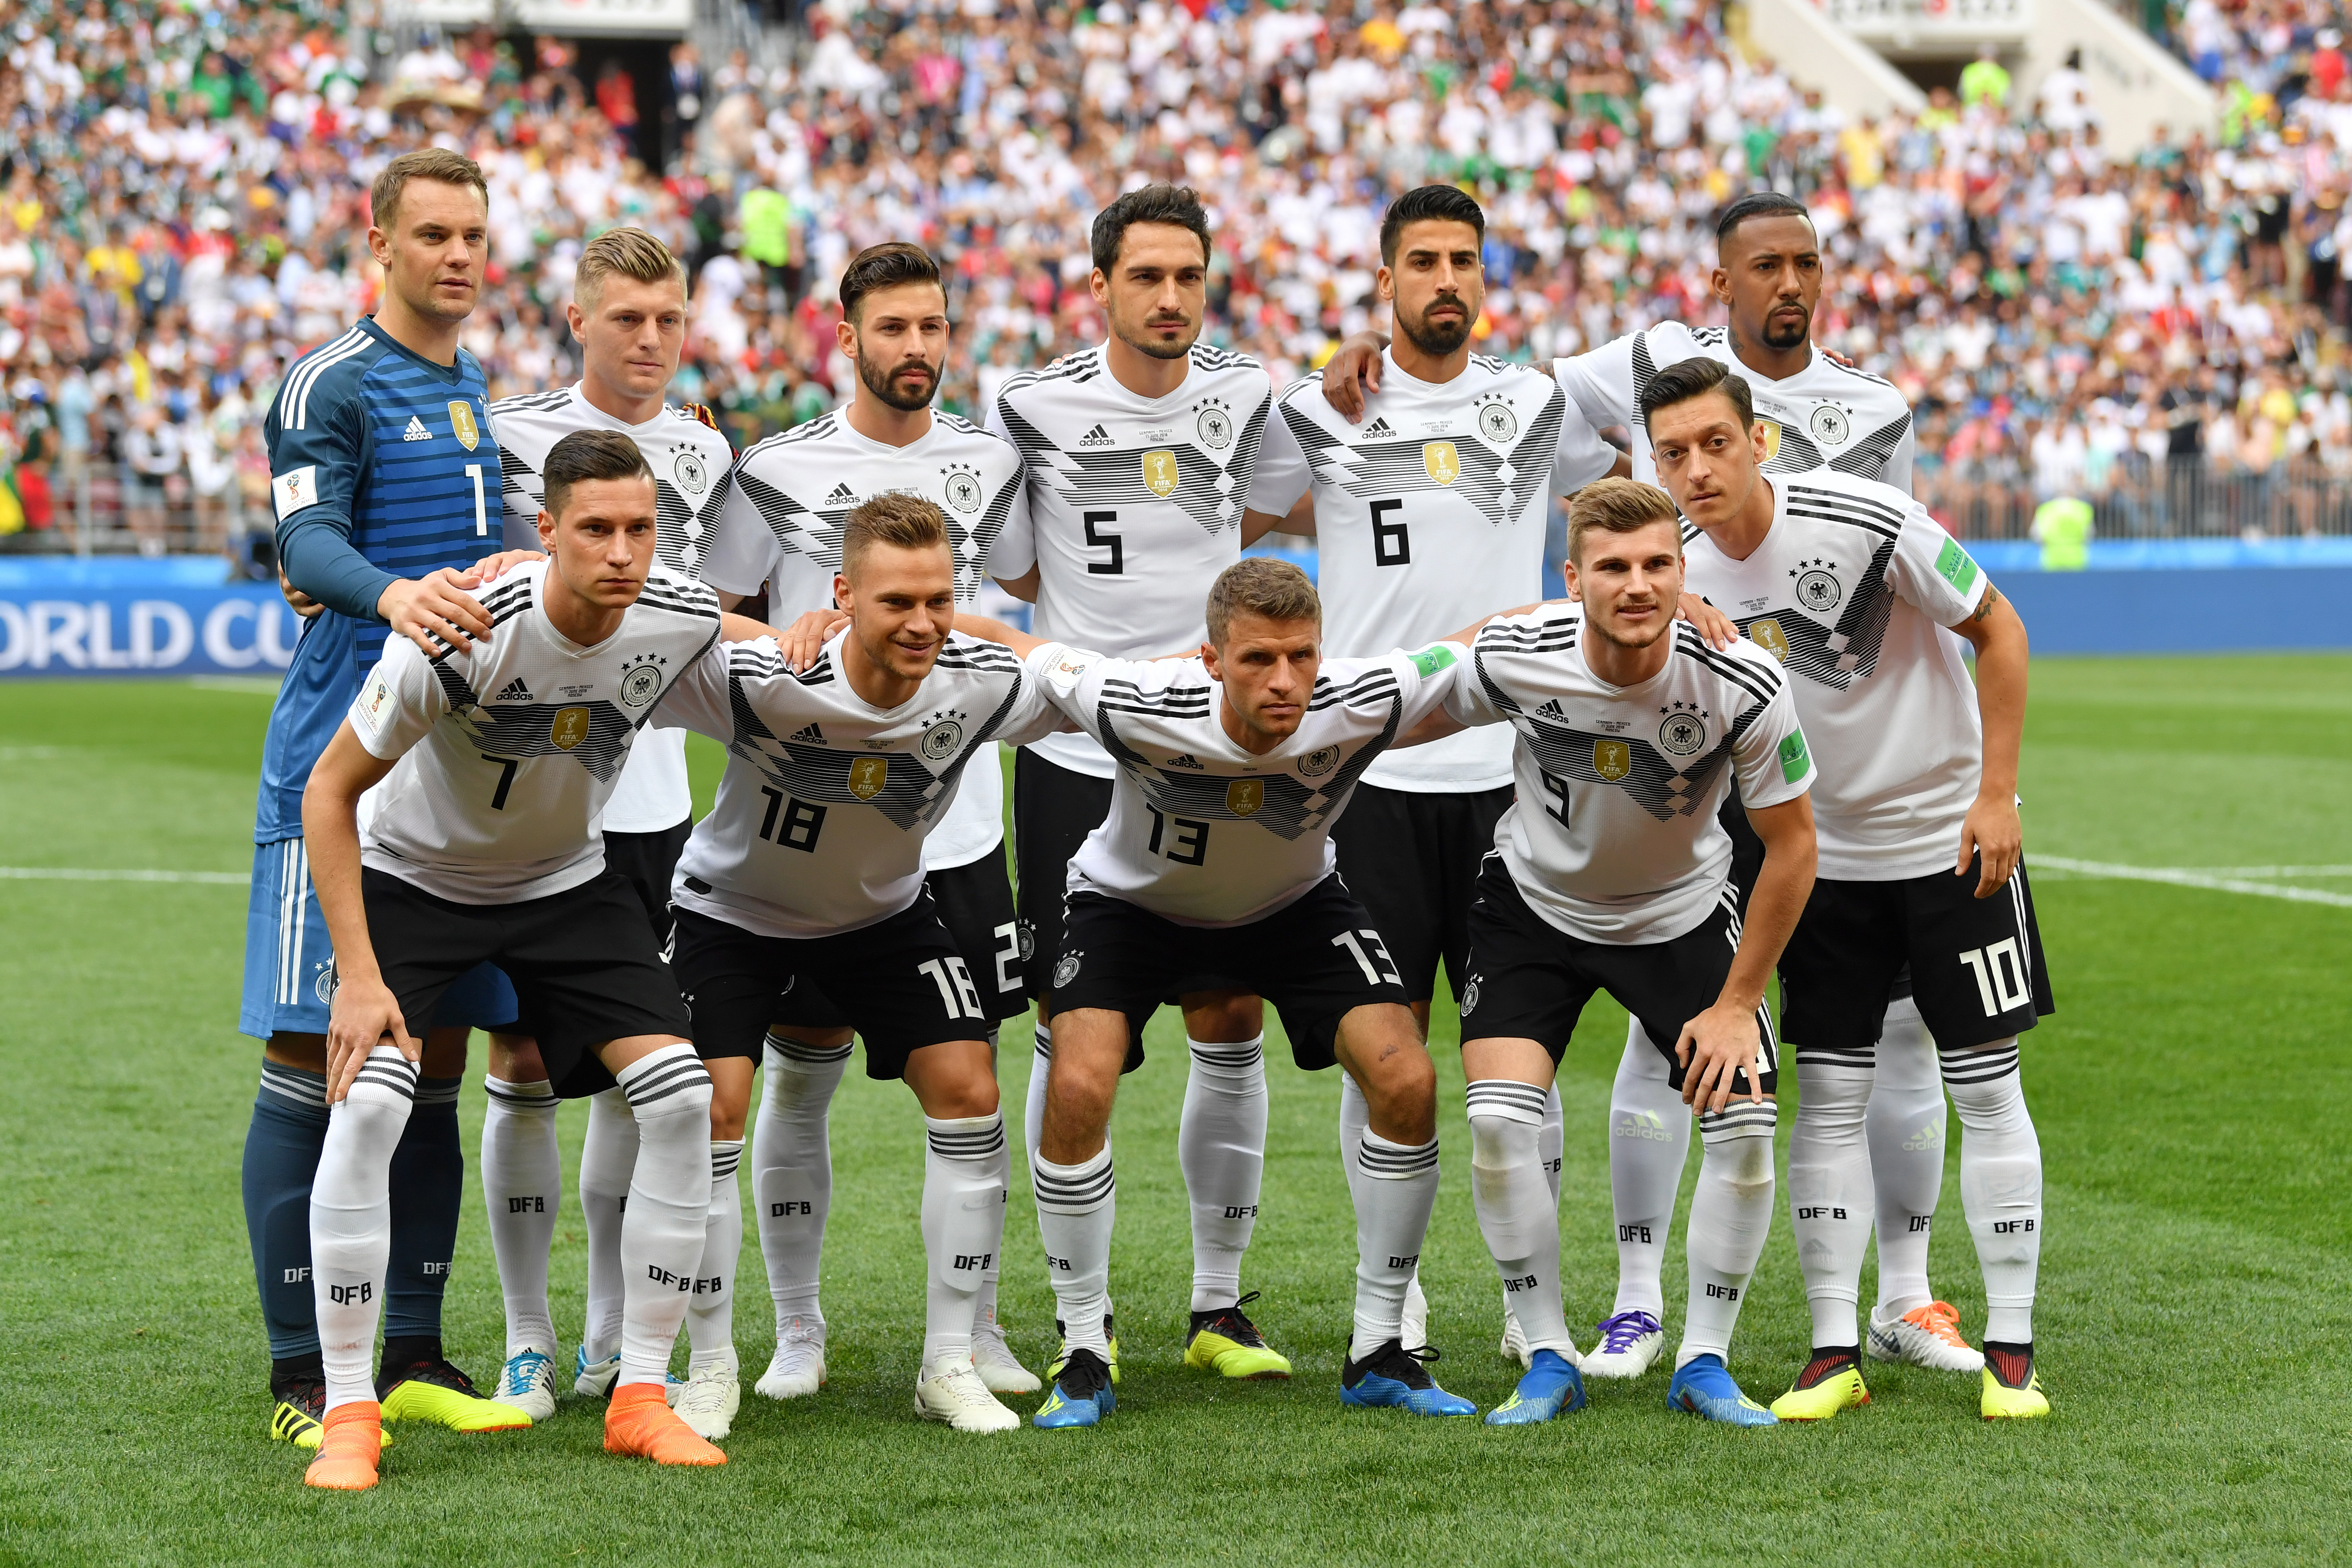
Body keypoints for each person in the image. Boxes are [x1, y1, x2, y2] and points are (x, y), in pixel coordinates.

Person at [1315, 188, 1939, 1381]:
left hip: (1781, 766)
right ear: (1719, 282)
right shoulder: (1644, 363)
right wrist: (1377, 358)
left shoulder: (1876, 412)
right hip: (1541, 813)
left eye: (1805, 261)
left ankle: (1892, 1299)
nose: (1787, 282)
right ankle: (1602, 1308)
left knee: (1859, 1040)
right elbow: (1483, 426)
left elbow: (1897, 590)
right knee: (1487, 1067)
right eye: (1763, 264)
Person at [297, 429, 735, 1489]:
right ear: (546, 531)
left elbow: (754, 641)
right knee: (370, 1105)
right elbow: (329, 793)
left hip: (565, 887)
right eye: (596, 529)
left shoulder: (676, 616)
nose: (622, 552)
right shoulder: (465, 629)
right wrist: (359, 978)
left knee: (679, 1097)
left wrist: (815, 620)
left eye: (640, 529)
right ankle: (351, 1411)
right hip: (416, 882)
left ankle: (639, 1393)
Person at [958, 558, 1486, 1429]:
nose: (1284, 681)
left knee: (1407, 1080)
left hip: (1292, 907)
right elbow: (1022, 646)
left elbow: (1474, 650)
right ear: (1210, 660)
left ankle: (1379, 1349)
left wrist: (1629, 602)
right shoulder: (1135, 697)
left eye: (1301, 657)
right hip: (1130, 906)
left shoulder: (1360, 695)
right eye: (1257, 661)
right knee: (1080, 1081)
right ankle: (1086, 1350)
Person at [1239, 183, 1623, 1365]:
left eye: (1464, 259)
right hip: (1374, 779)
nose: (1446, 279)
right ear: (1384, 278)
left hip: (1515, 771)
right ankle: (1392, 1289)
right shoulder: (1317, 407)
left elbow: (1639, 466)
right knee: (1386, 1037)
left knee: (1524, 1042)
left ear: (1483, 276)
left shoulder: (1538, 402)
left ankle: (1528, 1296)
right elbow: (1240, 510)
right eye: (1424, 260)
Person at [1640, 357, 2051, 1421]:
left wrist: (1996, 796)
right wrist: (1673, 598)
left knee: (1986, 1084)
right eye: (1673, 452)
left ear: (1760, 441)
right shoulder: (1670, 572)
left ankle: (2012, 1351)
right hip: (1818, 865)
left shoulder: (1867, 518)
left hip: (1951, 846)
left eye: (1715, 443)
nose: (1696, 468)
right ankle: (1833, 1351)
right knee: (1827, 1096)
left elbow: (1998, 629)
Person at [239, 148, 539, 1454]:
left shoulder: (477, 388)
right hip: (342, 765)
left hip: (459, 782)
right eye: (432, 233)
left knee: (435, 1063)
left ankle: (409, 1344)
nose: (459, 255)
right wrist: (391, 594)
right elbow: (301, 541)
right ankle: (304, 1371)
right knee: (320, 1053)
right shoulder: (329, 381)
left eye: (474, 233)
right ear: (379, 243)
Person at [704, 241, 1039, 1408]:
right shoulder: (779, 466)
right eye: (892, 328)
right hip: (818, 828)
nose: (916, 350)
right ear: (844, 337)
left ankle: (978, 1323)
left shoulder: (993, 463)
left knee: (972, 1067)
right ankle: (797, 1327)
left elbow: (1004, 605)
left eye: (933, 328)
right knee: (803, 1072)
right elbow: (739, 609)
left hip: (955, 821)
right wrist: (779, 639)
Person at [654, 493, 1067, 1435]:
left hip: (881, 917)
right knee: (712, 1108)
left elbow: (1096, 688)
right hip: (733, 916)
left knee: (971, 1089)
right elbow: (641, 627)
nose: (922, 623)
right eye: (895, 603)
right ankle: (711, 1364)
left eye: (938, 600)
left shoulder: (979, 681)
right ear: (842, 595)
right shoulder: (763, 676)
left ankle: (949, 1364)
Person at [987, 184, 1296, 1382]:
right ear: (1101, 285)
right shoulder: (1033, 407)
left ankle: (1219, 1306)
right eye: (1147, 277)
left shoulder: (1248, 393)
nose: (1170, 299)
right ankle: (1083, 1318)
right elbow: (1013, 565)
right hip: (1076, 757)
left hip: (1216, 761)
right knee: (1080, 1041)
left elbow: (1280, 499)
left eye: (1189, 277)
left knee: (1230, 1014)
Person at [1441, 475, 1819, 1426]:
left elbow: (1794, 845)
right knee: (1497, 1123)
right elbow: (1396, 701)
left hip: (1680, 917)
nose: (1638, 583)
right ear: (1573, 578)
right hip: (1533, 908)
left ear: (1687, 571)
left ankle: (1704, 1360)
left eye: (1659, 564)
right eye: (1613, 567)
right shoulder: (1519, 653)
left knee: (1744, 1128)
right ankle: (1545, 1354)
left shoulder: (1744, 679)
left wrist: (1737, 1006)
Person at [474, 226, 742, 1432]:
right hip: (529, 806)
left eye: (667, 320)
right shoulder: (509, 437)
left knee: (646, 1084)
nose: (649, 340)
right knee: (523, 1064)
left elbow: (724, 605)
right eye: (625, 317)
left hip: (658, 811)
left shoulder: (704, 450)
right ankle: (526, 1341)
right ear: (577, 320)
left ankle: (608, 1338)